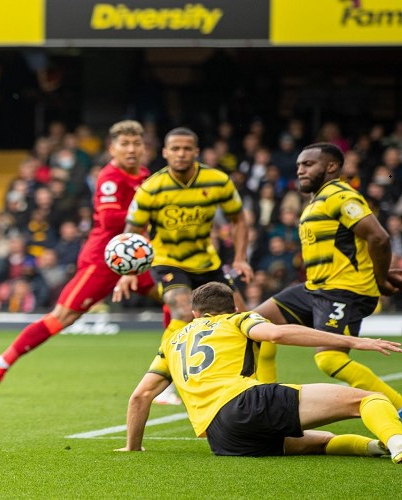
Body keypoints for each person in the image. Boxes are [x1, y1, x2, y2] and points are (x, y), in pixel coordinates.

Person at [119, 282, 402, 462]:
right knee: (369, 400)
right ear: (233, 308)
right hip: (246, 402)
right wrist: (353, 341)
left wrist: (133, 446)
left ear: (195, 313)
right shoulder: (238, 319)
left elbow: (140, 396)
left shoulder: (171, 341)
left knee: (319, 441)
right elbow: (275, 334)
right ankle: (398, 443)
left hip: (222, 437)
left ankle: (377, 447)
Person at [0, 120, 159, 396]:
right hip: (103, 260)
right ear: (112, 148)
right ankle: (0, 363)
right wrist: (153, 210)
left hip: (135, 257)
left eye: (137, 143)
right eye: (125, 144)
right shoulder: (110, 178)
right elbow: (110, 219)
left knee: (176, 300)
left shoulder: (145, 174)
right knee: (62, 317)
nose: (132, 149)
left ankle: (169, 377)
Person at [254, 143, 402, 409]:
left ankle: (399, 406)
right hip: (316, 288)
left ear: (331, 166)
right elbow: (354, 246)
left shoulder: (340, 196)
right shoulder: (317, 201)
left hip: (345, 290)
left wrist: (379, 279)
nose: (300, 170)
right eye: (299, 165)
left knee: (329, 360)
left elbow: (378, 237)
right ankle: (268, 404)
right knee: (257, 325)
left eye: (308, 164)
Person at [113, 126, 254, 405]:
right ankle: (164, 382)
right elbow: (132, 231)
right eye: (175, 149)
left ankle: (253, 383)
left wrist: (240, 258)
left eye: (187, 149)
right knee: (181, 309)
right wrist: (129, 272)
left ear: (196, 152)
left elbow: (238, 219)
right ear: (165, 152)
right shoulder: (151, 187)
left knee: (245, 318)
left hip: (207, 262)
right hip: (167, 261)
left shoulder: (217, 181)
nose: (181, 154)